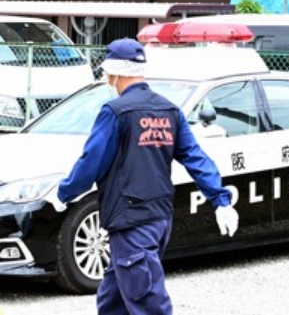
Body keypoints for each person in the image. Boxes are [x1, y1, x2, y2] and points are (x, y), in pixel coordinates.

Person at [57, 38, 239, 314]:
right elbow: (195, 157)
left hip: (132, 223)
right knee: (113, 301)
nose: (106, 77)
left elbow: (91, 161)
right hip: (158, 219)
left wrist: (64, 193)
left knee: (147, 303)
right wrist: (219, 198)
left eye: (106, 71)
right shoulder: (168, 110)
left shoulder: (115, 112)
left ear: (115, 72)